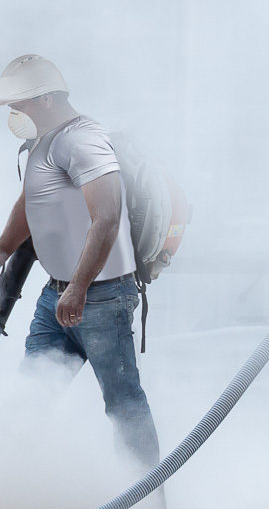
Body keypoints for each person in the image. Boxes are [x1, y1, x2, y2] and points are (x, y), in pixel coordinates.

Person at [0, 54, 161, 471]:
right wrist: (2, 249)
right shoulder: (45, 142)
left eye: (22, 104)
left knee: (123, 402)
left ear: (49, 99)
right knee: (31, 395)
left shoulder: (81, 140)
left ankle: (146, 501)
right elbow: (29, 203)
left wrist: (79, 287)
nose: (15, 113)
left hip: (100, 297)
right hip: (57, 296)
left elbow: (106, 217)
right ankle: (16, 489)